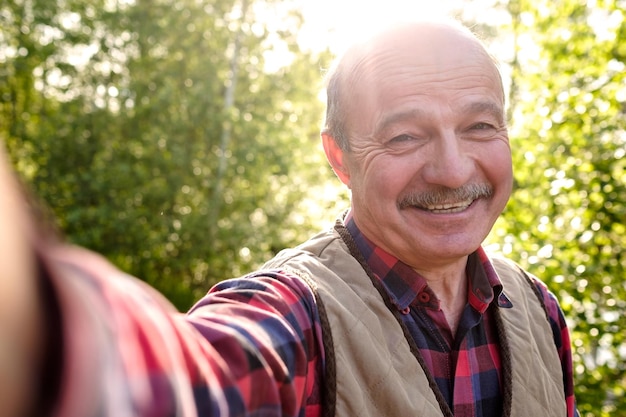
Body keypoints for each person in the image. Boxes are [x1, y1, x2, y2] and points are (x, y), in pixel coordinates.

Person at [0, 18, 578, 417]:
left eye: (480, 126)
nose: (453, 171)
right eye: (404, 136)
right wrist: (41, 332)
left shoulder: (538, 310)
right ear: (339, 158)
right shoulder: (296, 319)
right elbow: (188, 382)